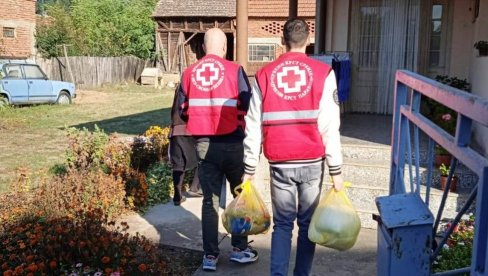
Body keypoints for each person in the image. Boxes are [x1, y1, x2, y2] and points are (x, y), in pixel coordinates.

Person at [243, 18, 344, 276]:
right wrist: (336, 171)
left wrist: (249, 168)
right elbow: (330, 126)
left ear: (281, 41)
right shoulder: (324, 74)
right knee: (308, 225)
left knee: (283, 225)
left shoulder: (264, 75)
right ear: (309, 40)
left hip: (280, 162)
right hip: (311, 161)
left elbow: (253, 123)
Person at [177, 28, 257, 271]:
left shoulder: (189, 73)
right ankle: (240, 249)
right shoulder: (235, 70)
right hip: (234, 145)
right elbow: (248, 103)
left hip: (204, 146)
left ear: (203, 47)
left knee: (209, 203)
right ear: (224, 48)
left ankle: (210, 256)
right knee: (240, 198)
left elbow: (182, 109)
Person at [169, 85, 202, 206]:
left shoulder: (180, 86)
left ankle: (177, 196)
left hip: (176, 128)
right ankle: (196, 187)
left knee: (178, 163)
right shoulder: (198, 85)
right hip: (193, 128)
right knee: (203, 157)